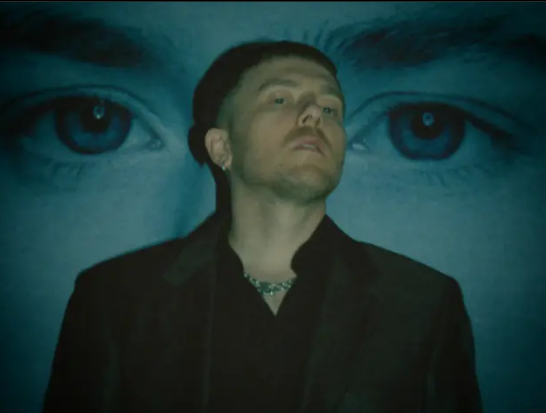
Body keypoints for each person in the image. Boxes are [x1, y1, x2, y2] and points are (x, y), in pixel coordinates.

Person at [42, 39, 482, 413]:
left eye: (331, 108)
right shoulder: (115, 301)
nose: (314, 114)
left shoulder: (423, 306)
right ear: (221, 147)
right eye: (280, 100)